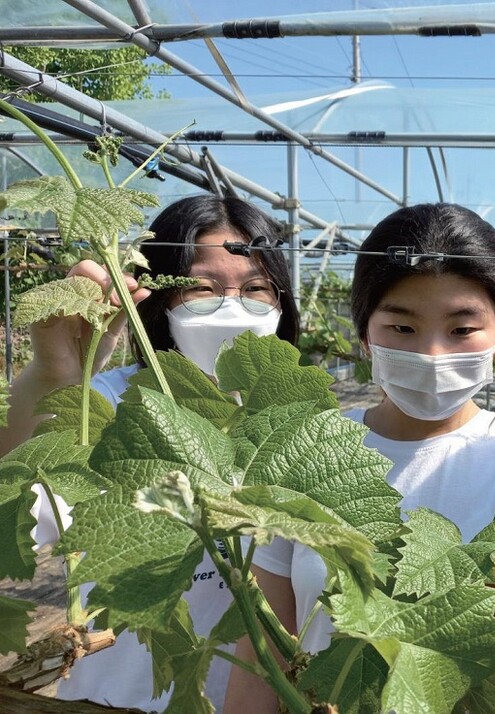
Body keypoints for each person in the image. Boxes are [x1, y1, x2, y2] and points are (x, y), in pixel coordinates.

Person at [225, 203, 495, 713]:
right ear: (364, 334)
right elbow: (265, 643)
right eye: (402, 328)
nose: (433, 354)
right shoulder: (306, 452)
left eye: (462, 329)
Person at [1, 194, 299, 711]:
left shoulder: (294, 415)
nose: (232, 308)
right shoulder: (111, 404)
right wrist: (49, 381)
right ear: (157, 299)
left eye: (255, 288)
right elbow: (19, 504)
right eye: (202, 289)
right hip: (114, 697)